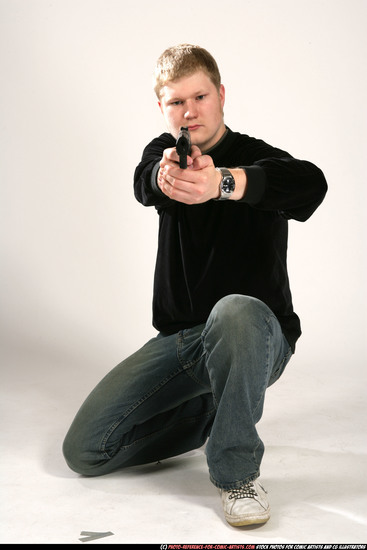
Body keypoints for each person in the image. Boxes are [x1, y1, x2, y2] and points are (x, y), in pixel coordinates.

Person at [63, 44, 327, 527]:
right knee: (86, 452)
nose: (189, 112)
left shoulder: (258, 157)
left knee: (235, 310)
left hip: (257, 340)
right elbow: (146, 181)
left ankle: (236, 475)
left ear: (221, 94)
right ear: (161, 109)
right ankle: (212, 416)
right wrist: (167, 178)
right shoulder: (163, 156)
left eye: (200, 97)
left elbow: (311, 184)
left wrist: (223, 183)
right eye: (175, 102)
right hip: (183, 344)